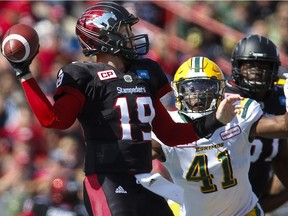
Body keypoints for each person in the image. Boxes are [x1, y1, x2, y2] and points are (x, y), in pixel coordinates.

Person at [1, 2, 242, 216]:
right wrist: (25, 74)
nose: (131, 35)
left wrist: (216, 120)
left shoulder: (145, 71)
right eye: (125, 30)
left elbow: (170, 134)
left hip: (144, 180)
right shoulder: (83, 75)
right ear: (104, 36)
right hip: (106, 181)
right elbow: (55, 120)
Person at [152, 56, 288, 216]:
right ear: (177, 90)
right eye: (191, 88)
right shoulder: (167, 126)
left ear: (220, 90)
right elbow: (129, 159)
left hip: (242, 211)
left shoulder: (237, 113)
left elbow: (283, 127)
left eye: (205, 87)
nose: (198, 95)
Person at [225, 34, 288, 213]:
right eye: (249, 66)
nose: (256, 72)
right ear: (237, 67)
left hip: (258, 189)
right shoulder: (226, 99)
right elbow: (284, 126)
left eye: (263, 66)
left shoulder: (278, 97)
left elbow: (282, 161)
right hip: (220, 189)